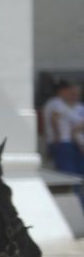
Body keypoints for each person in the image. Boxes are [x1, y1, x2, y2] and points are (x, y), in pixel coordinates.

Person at [41, 79, 83, 208]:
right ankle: (77, 206)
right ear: (62, 91)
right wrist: (58, 136)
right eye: (70, 92)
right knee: (71, 176)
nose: (72, 95)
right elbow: (55, 120)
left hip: (67, 144)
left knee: (74, 176)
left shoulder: (60, 104)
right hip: (64, 144)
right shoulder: (57, 103)